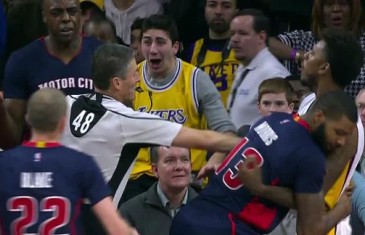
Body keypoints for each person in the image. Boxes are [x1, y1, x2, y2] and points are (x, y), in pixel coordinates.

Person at [61, 43, 241, 233]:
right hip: (93, 223)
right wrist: (248, 143)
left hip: (56, 214)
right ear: (117, 83)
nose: (138, 78)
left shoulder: (65, 104)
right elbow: (201, 139)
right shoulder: (126, 120)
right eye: (133, 73)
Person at [170, 90, 358, 235]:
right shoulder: (310, 156)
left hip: (189, 216)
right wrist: (342, 210)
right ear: (319, 117)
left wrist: (262, 188)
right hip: (227, 227)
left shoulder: (272, 120)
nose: (341, 142)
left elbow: (290, 193)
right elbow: (309, 230)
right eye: (338, 132)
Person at [239, 28, 364, 235]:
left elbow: (312, 199)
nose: (304, 56)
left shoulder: (345, 129)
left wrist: (260, 187)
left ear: (324, 67)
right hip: (280, 223)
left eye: (312, 53)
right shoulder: (309, 102)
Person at [125, 14, 237, 201]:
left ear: (175, 47)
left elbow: (228, 133)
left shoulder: (196, 80)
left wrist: (213, 162)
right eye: (147, 42)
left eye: (160, 42)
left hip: (187, 176)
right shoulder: (130, 78)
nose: (152, 49)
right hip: (141, 177)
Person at [0, 88, 138, 235]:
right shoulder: (81, 164)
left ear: (28, 119)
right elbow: (116, 228)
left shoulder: (4, 163)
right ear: (63, 122)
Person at [0, 0, 102, 150]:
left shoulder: (102, 55)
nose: (66, 18)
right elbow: (11, 141)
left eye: (72, 11)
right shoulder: (22, 61)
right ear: (44, 16)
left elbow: (122, 117)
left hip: (95, 153)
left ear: (80, 14)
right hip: (42, 159)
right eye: (56, 13)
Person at [269, 0, 365, 98]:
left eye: (343, 4)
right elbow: (267, 43)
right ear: (320, 11)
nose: (336, 9)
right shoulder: (305, 39)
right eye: (329, 4)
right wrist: (298, 55)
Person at [227, 9, 290, 129]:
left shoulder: (274, 73)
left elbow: (280, 127)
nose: (234, 39)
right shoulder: (244, 66)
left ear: (261, 37)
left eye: (242, 33)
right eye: (232, 33)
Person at [119, 146, 198, 235]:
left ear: (191, 166)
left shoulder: (209, 209)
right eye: (170, 160)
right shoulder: (130, 212)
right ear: (155, 170)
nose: (179, 167)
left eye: (184, 160)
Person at [185, 0, 239, 106]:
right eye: (212, 5)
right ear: (205, 10)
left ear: (236, 12)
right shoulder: (192, 50)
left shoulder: (248, 48)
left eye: (226, 6)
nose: (218, 11)